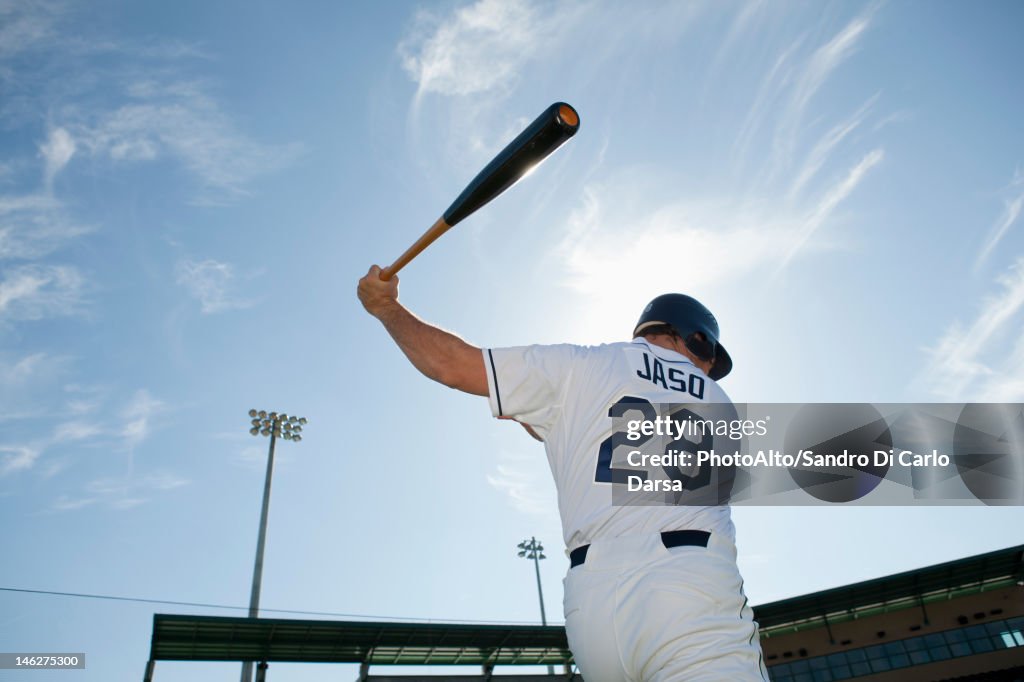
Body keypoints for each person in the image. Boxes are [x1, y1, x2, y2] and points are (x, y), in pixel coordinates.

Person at [357, 264, 768, 681]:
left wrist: (386, 308)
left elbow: (451, 366)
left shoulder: (581, 366)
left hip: (591, 606)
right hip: (689, 589)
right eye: (709, 353)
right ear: (694, 336)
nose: (709, 366)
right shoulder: (720, 398)